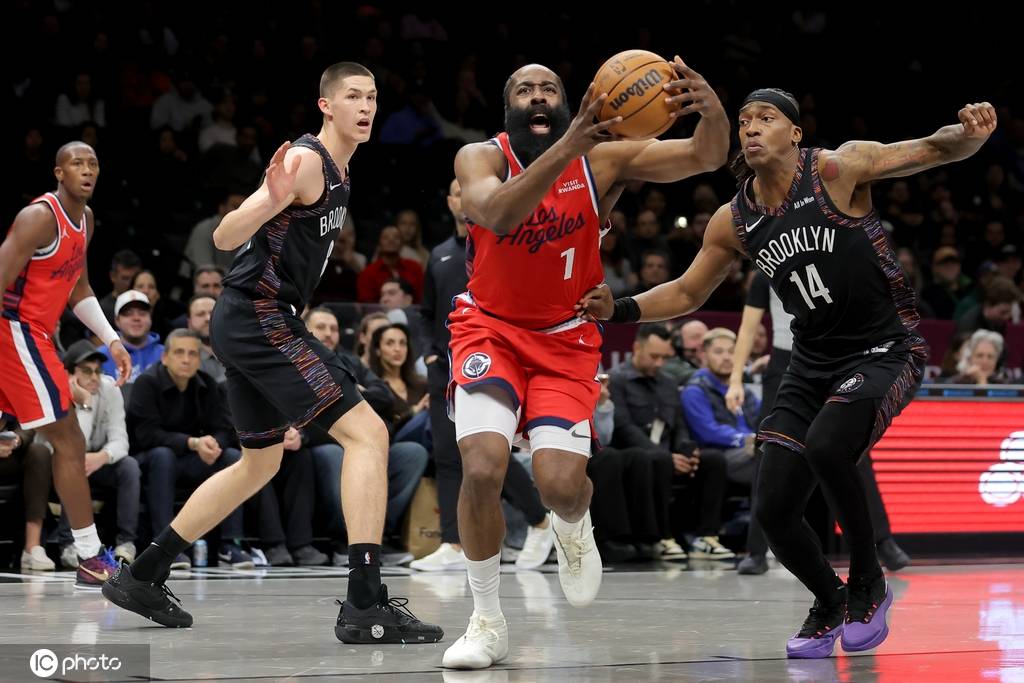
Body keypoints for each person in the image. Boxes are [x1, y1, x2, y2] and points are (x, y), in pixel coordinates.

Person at [578, 91, 996, 658]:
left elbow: (930, 149)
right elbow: (687, 291)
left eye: (766, 118)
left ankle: (869, 582)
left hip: (884, 349)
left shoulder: (837, 169)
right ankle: (829, 599)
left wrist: (969, 135)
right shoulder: (734, 219)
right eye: (744, 120)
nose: (751, 128)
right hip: (811, 362)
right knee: (772, 509)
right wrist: (621, 308)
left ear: (795, 133)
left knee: (828, 447)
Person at [102, 62, 442, 645]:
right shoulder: (308, 160)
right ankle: (365, 602)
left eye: (372, 97)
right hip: (259, 315)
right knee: (368, 434)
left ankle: (143, 575)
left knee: (260, 463)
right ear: (325, 105)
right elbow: (225, 236)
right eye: (353, 96)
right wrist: (269, 201)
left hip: (250, 319)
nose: (366, 106)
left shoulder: (343, 169)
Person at [443, 58, 729, 669]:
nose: (537, 97)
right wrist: (569, 146)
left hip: (565, 340)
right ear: (508, 107)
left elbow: (706, 156)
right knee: (483, 467)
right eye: (524, 89)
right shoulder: (479, 158)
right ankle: (486, 621)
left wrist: (711, 109)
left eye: (549, 88)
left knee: (561, 487)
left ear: (569, 103)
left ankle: (574, 525)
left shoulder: (603, 161)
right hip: (488, 330)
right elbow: (497, 214)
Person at [0, 141, 131, 588]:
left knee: (56, 437)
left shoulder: (86, 220)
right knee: (69, 437)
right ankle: (92, 558)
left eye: (93, 163)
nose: (87, 170)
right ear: (59, 172)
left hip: (36, 334)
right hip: (14, 329)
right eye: (77, 163)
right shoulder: (38, 218)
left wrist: (112, 340)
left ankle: (90, 556)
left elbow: (79, 289)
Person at [727, 271, 910, 576]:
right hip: (785, 362)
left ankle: (883, 540)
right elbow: (748, 328)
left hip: (833, 360)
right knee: (768, 450)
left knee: (851, 449)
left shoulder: (832, 261)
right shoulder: (767, 271)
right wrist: (735, 379)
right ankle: (756, 550)